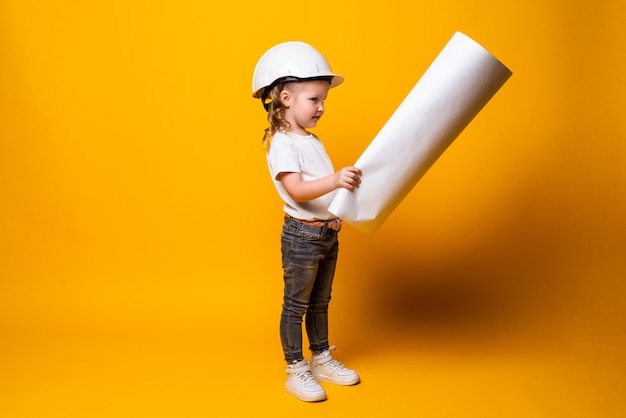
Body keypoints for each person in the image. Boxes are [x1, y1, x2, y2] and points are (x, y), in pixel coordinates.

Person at [252, 41, 362, 402]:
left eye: (323, 100)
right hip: (302, 237)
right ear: (285, 98)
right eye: (314, 99)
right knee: (296, 304)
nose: (321, 107)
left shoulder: (310, 139)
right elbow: (297, 189)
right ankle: (296, 367)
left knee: (321, 301)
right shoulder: (283, 142)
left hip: (326, 234)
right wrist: (336, 180)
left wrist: (337, 209)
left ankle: (321, 358)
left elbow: (321, 193)